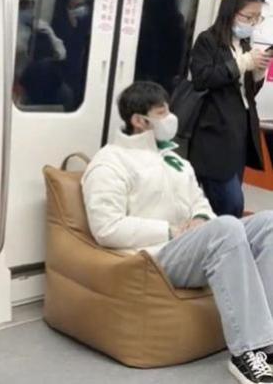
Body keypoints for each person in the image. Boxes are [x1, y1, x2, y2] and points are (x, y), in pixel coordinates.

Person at [82, 81, 273, 384]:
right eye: (162, 112)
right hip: (153, 257)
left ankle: (267, 343)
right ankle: (246, 353)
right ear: (139, 121)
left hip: (190, 246)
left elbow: (201, 205)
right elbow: (107, 228)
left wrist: (199, 218)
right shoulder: (109, 163)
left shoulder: (175, 161)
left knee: (267, 223)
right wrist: (170, 231)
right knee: (225, 228)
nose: (171, 118)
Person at [189, 0, 270, 217]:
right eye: (248, 17)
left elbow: (245, 93)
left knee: (224, 204)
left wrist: (258, 72)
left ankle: (214, 244)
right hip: (214, 133)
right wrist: (242, 63)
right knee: (231, 204)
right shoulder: (208, 40)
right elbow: (202, 79)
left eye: (257, 18)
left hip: (240, 132)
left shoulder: (245, 43)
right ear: (231, 11)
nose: (252, 24)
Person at [52, 0, 92, 111]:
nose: (81, 9)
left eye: (82, 5)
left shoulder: (88, 25)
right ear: (68, 8)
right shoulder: (59, 26)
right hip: (62, 78)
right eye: (76, 6)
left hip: (83, 79)